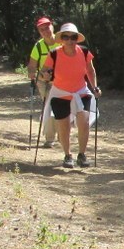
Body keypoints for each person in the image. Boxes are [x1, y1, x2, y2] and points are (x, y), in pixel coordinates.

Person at [40, 22, 100, 169]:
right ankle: (68, 155)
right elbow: (44, 72)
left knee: (84, 122)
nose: (69, 40)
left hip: (81, 91)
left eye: (72, 37)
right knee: (64, 125)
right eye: (66, 37)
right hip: (60, 92)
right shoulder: (54, 54)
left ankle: (82, 155)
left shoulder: (84, 52)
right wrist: (45, 76)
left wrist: (95, 87)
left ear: (76, 38)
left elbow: (90, 71)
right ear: (61, 39)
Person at [27, 16, 59, 147]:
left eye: (47, 27)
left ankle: (57, 136)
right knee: (49, 107)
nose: (46, 31)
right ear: (39, 32)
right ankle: (51, 138)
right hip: (43, 82)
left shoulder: (62, 41)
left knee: (57, 108)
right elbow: (32, 66)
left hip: (61, 81)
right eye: (42, 30)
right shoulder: (38, 46)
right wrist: (37, 75)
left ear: (52, 26)